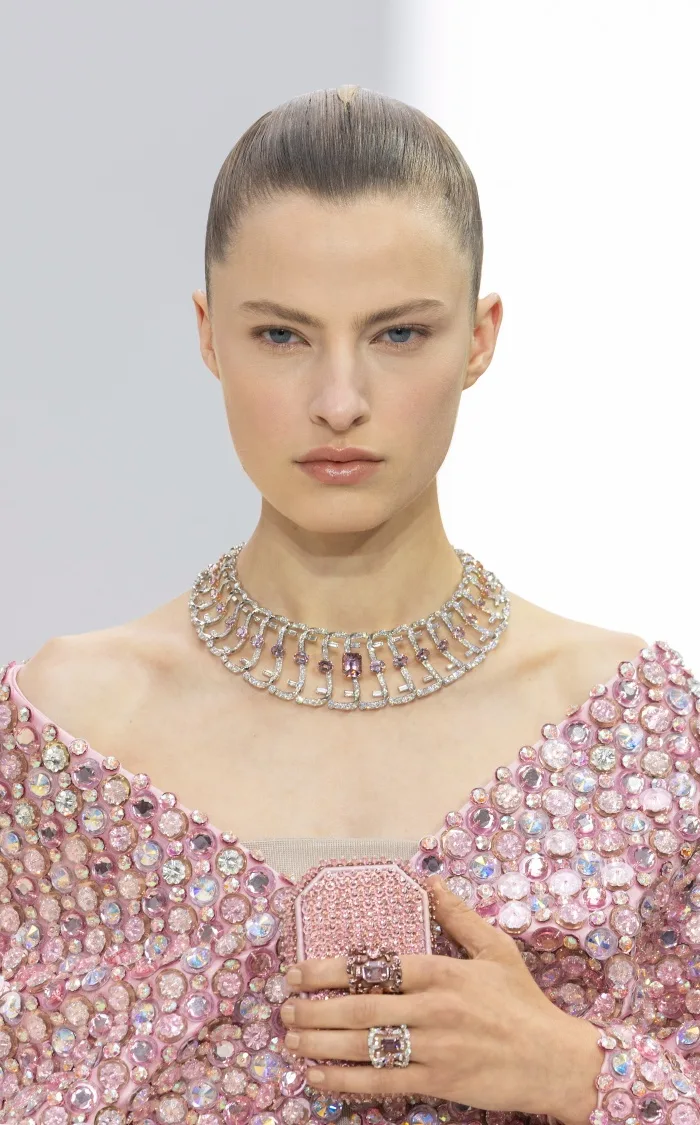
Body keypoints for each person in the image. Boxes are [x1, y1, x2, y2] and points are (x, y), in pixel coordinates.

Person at [0, 85, 697, 1125]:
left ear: (479, 338)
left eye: (399, 333)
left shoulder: (630, 730)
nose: (339, 401)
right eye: (283, 336)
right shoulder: (65, 733)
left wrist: (576, 1073)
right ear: (209, 336)